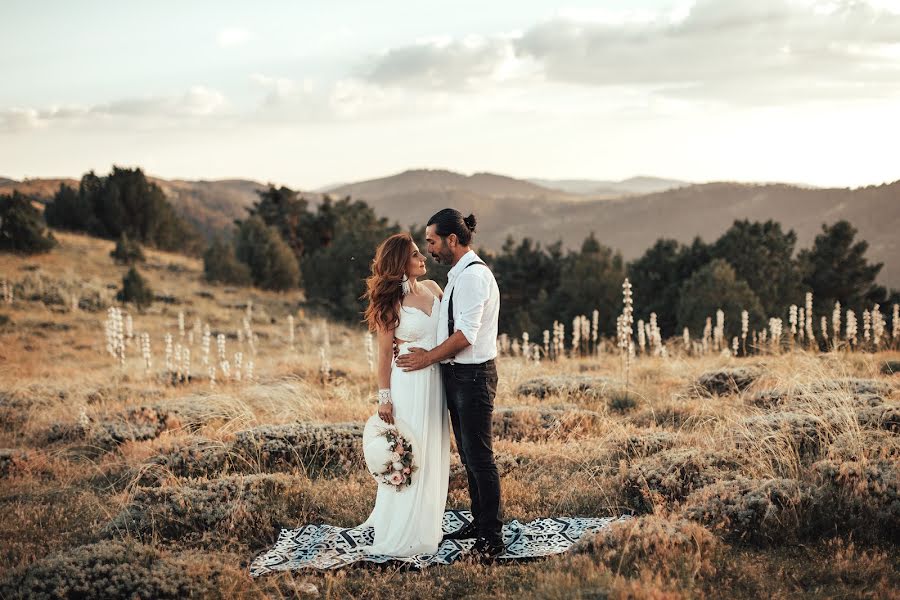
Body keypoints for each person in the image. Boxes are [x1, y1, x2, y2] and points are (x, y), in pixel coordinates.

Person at [395, 209, 505, 564]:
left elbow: (465, 336)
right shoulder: (458, 275)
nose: (429, 249)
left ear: (452, 240)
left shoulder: (473, 277)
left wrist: (428, 357)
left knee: (481, 459)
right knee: (471, 459)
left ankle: (491, 538)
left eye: (431, 241)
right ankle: (479, 522)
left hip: (473, 377)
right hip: (459, 377)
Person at [357, 232, 450, 557]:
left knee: (433, 450)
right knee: (411, 451)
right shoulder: (390, 302)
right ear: (400, 263)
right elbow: (384, 355)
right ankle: (404, 530)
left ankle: (428, 524)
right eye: (414, 255)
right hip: (407, 384)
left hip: (435, 381)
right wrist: (384, 397)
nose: (423, 257)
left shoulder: (436, 290)